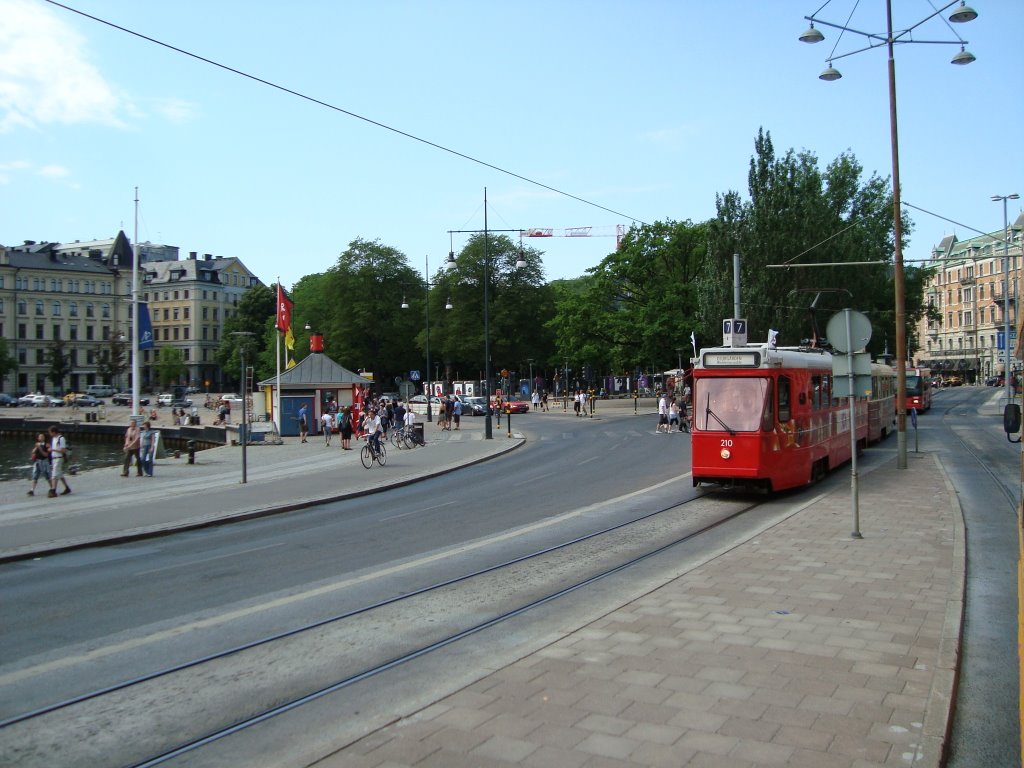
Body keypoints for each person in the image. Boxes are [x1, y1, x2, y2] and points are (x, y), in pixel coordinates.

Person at [48, 424, 71, 497]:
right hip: (54, 458)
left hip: (58, 458)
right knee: (59, 474)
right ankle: (67, 488)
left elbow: (63, 450)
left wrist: (52, 449)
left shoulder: (61, 438)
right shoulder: (54, 438)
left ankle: (53, 490)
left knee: (54, 475)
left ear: (54, 432)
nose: (50, 434)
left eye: (50, 432)